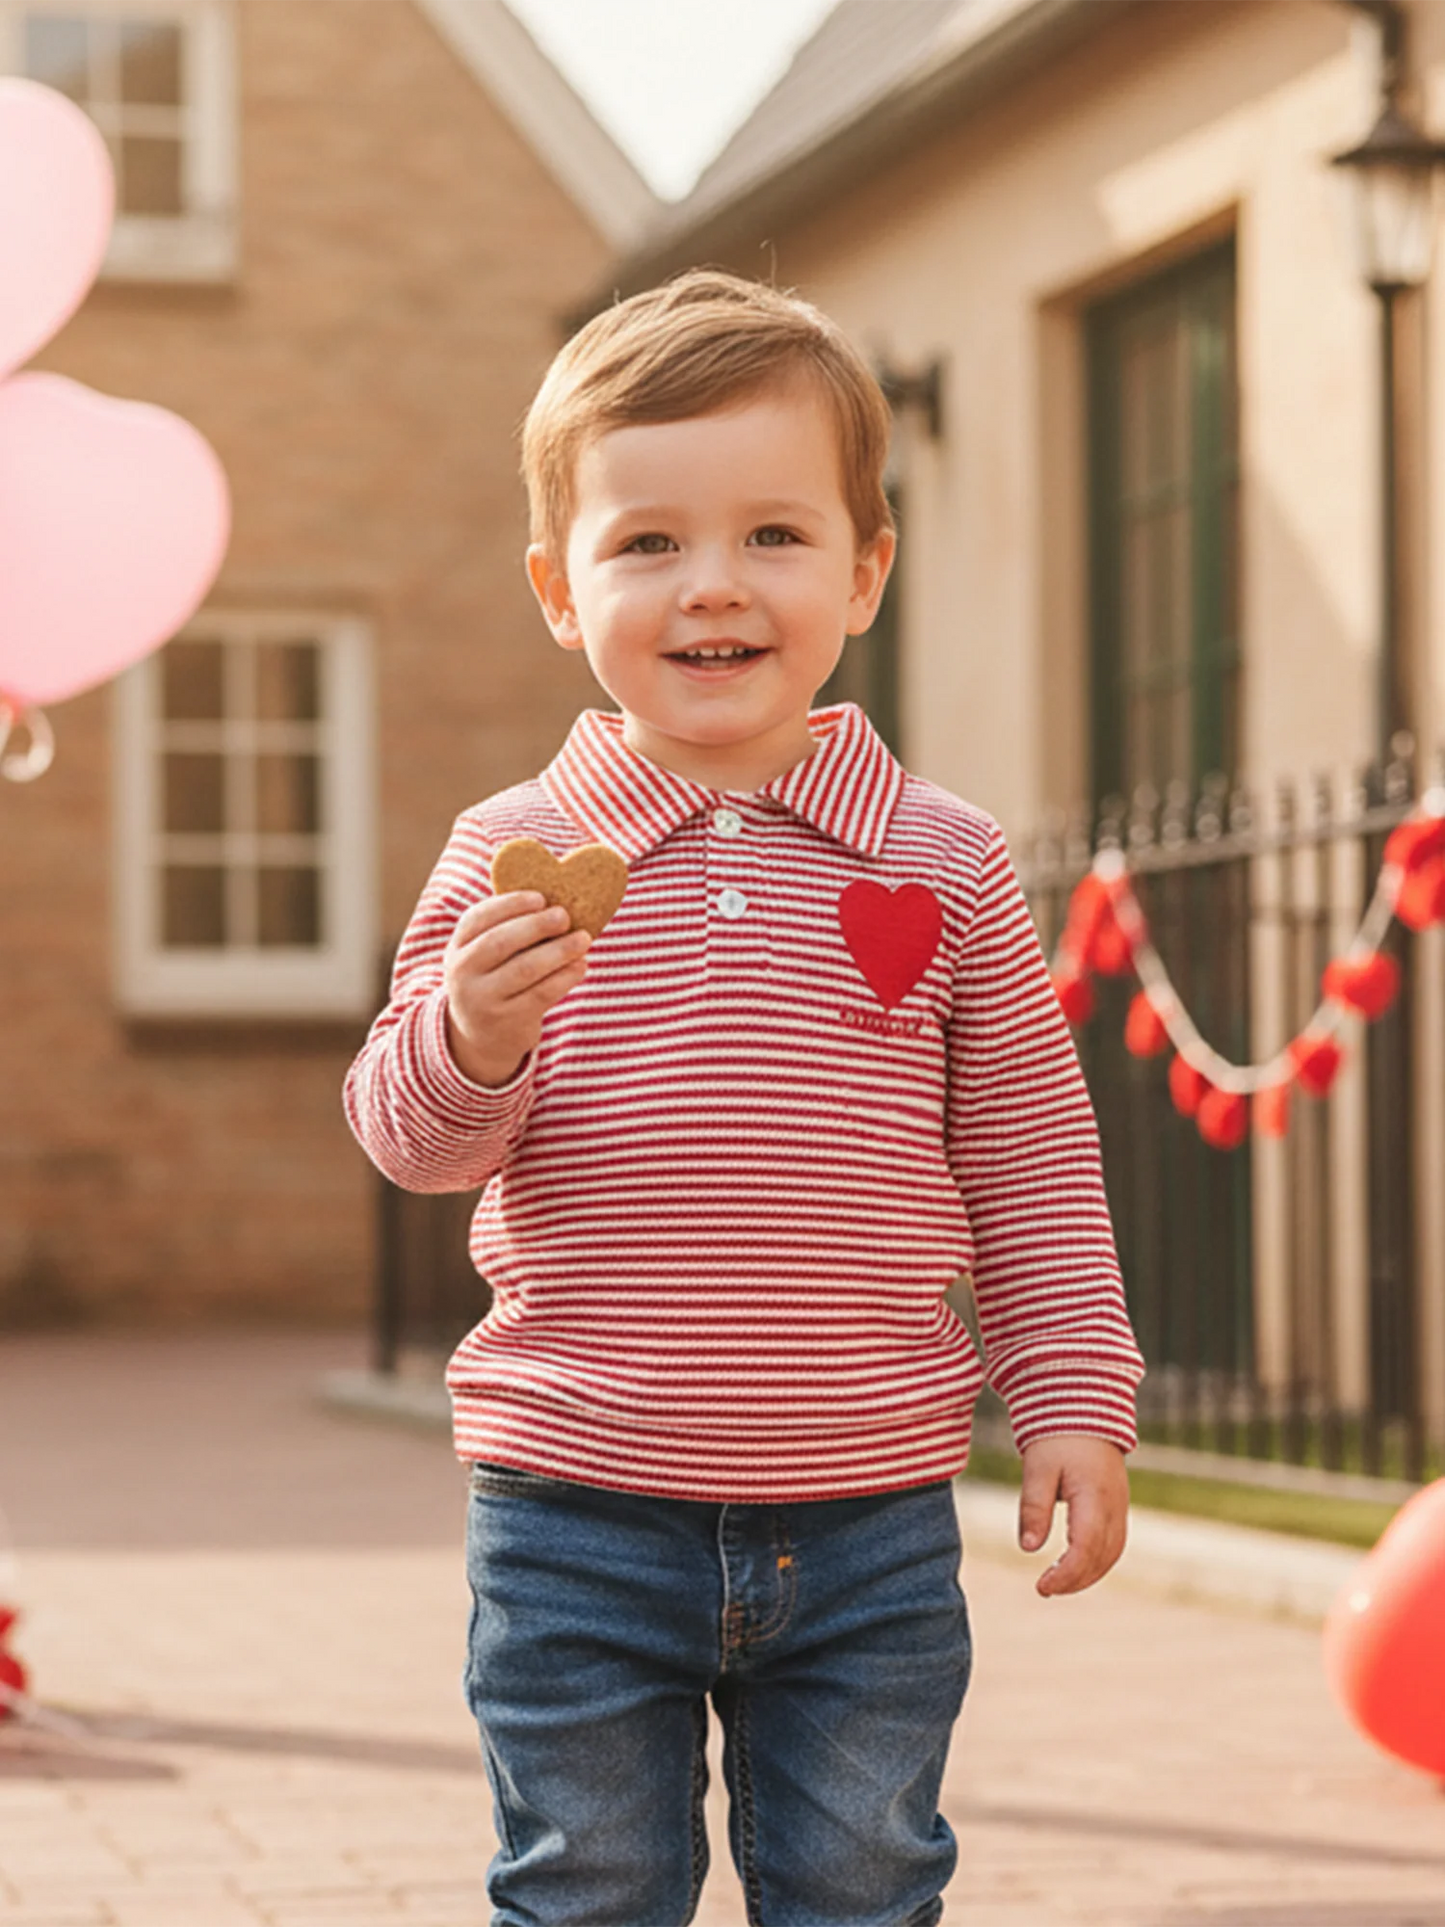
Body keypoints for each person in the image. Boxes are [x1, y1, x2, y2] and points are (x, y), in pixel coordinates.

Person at [343, 268, 1145, 1927]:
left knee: (864, 1882)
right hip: (575, 1505)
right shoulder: (512, 853)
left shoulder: (946, 858)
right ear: (561, 589)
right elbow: (413, 1144)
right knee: (587, 1886)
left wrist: (1071, 1394)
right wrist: (472, 1038)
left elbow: (1032, 1157)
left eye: (773, 536)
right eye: (648, 543)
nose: (713, 586)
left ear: (867, 569)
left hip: (870, 1508)